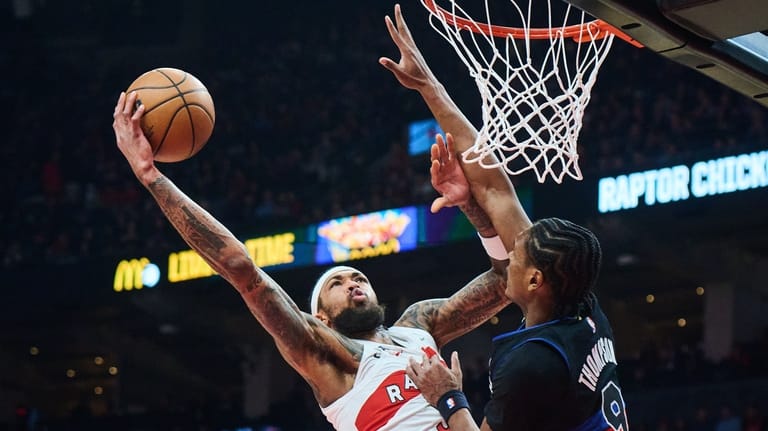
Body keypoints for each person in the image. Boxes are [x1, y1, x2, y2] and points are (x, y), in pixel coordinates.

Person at [111, 46, 531, 430]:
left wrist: (470, 207)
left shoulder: (419, 326)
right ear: (322, 317)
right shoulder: (327, 354)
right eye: (337, 283)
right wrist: (151, 176)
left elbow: (510, 278)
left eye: (357, 278)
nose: (353, 282)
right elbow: (244, 271)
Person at [379, 5, 627, 431]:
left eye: (517, 256)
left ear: (535, 280)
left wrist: (447, 396)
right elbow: (495, 189)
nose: (508, 258)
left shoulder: (531, 364)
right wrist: (428, 86)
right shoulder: (579, 310)